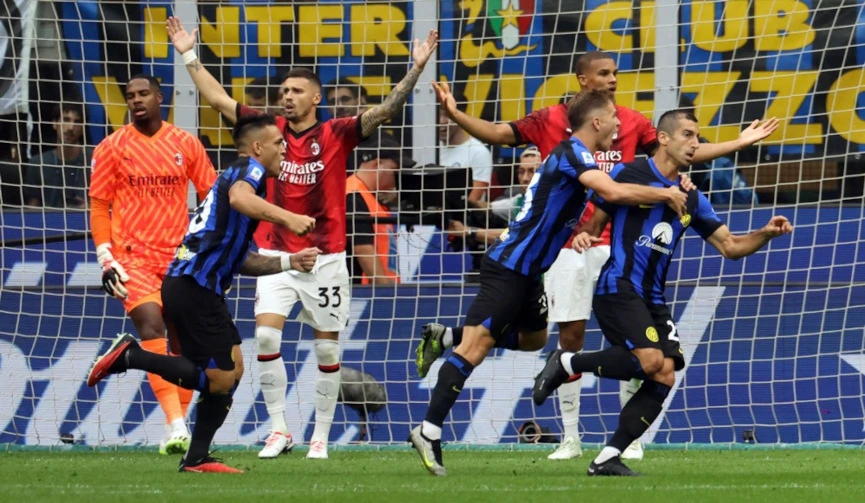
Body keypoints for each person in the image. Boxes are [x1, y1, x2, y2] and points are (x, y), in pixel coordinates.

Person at [423, 51, 779, 461]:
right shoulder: (561, 134)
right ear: (585, 86)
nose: (614, 81)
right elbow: (503, 135)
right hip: (548, 253)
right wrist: (454, 112)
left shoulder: (625, 134)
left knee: (560, 339)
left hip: (585, 254)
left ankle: (622, 441)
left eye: (616, 73)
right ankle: (559, 436)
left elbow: (685, 163)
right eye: (605, 74)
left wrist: (740, 148)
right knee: (555, 339)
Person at [166, 15, 438, 460]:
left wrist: (417, 67)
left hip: (328, 257)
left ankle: (321, 437)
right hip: (277, 254)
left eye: (295, 92)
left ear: (316, 97)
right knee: (267, 340)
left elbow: (386, 110)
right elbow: (216, 98)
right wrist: (188, 53)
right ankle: (279, 431)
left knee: (328, 349)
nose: (286, 97)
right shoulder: (267, 134)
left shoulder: (336, 132)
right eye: (283, 92)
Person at [408, 90, 690, 476]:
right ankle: (429, 430)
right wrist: (664, 192)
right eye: (612, 117)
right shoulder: (572, 152)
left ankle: (446, 337)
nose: (619, 124)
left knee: (533, 340)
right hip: (508, 267)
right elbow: (611, 192)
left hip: (530, 273)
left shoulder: (581, 156)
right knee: (476, 347)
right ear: (595, 122)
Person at [531, 109, 793, 476]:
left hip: (653, 297)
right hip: (618, 285)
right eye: (688, 134)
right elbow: (596, 221)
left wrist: (766, 232)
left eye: (698, 137)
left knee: (665, 373)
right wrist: (585, 234)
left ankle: (607, 457)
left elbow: (731, 247)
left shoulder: (693, 198)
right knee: (652, 361)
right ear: (663, 138)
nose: (695, 143)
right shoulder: (628, 173)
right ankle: (567, 362)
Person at [87, 114, 319, 473]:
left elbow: (244, 260)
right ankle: (131, 357)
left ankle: (196, 458)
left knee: (232, 371)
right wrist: (288, 219)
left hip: (196, 287)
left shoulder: (234, 183)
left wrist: (290, 261)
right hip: (193, 287)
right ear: (258, 147)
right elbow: (242, 199)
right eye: (277, 143)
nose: (284, 148)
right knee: (219, 378)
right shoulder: (248, 173)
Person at [88, 74, 218, 455]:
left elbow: (211, 194)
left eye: (143, 93)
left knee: (182, 345)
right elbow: (99, 205)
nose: (136, 100)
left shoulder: (185, 143)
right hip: (133, 258)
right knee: (151, 323)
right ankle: (176, 425)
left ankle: (173, 425)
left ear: (160, 97)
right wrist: (105, 256)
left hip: (178, 259)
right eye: (130, 96)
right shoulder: (112, 147)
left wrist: (209, 246)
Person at [346, 132, 415, 284]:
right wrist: (384, 288)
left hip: (380, 293)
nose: (398, 177)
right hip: (363, 295)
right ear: (377, 164)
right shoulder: (353, 197)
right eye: (395, 170)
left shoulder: (372, 198)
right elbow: (363, 249)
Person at [447, 146, 541, 245]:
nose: (525, 178)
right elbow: (488, 207)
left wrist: (469, 231)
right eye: (521, 172)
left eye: (532, 171)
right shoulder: (519, 201)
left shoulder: (551, 204)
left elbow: (514, 235)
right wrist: (458, 201)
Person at [24, 103, 90, 208]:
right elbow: (32, 210)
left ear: (83, 128)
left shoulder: (96, 159)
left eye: (77, 122)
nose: (70, 127)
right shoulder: (38, 163)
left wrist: (92, 208)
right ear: (55, 124)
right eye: (66, 120)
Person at [438, 105, 493, 204]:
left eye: (447, 115)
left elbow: (472, 200)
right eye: (437, 115)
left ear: (460, 116)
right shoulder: (429, 149)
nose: (441, 121)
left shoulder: (478, 152)